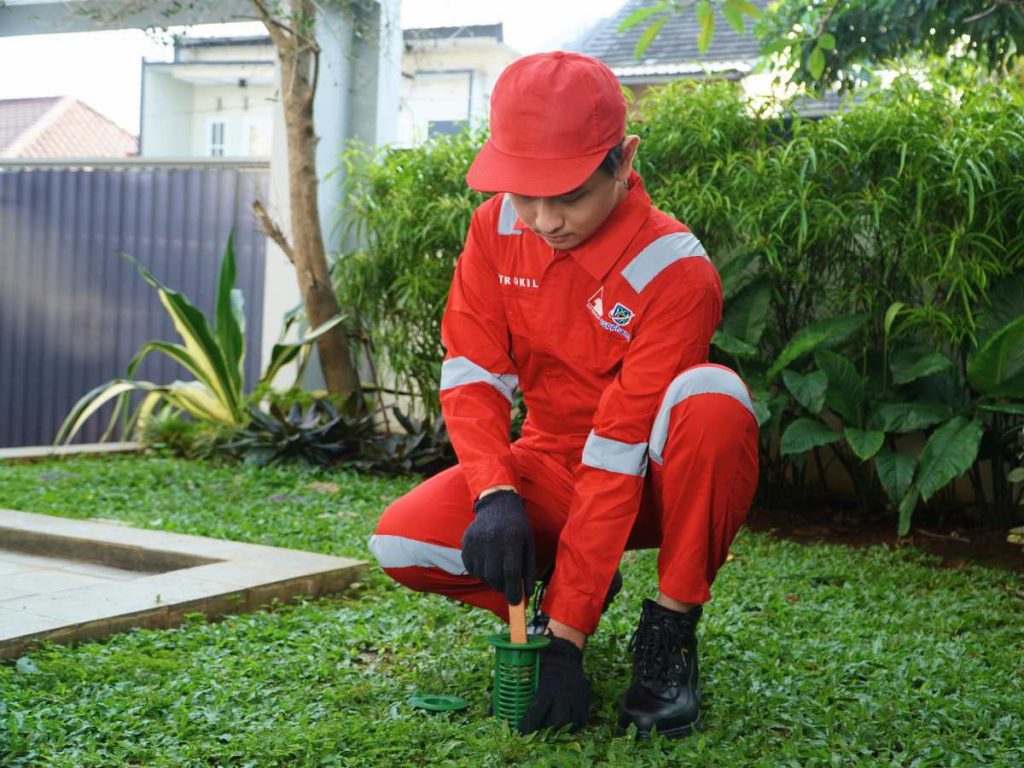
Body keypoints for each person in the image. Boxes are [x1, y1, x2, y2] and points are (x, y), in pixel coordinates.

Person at [369, 51, 759, 739]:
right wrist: (495, 494)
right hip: (550, 461)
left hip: (649, 483)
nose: (545, 220)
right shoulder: (494, 228)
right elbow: (472, 371)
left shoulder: (678, 273)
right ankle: (572, 585)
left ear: (623, 159)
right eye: (525, 193)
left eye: (570, 195)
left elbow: (618, 449)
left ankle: (669, 630)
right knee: (401, 542)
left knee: (713, 401)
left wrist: (567, 640)